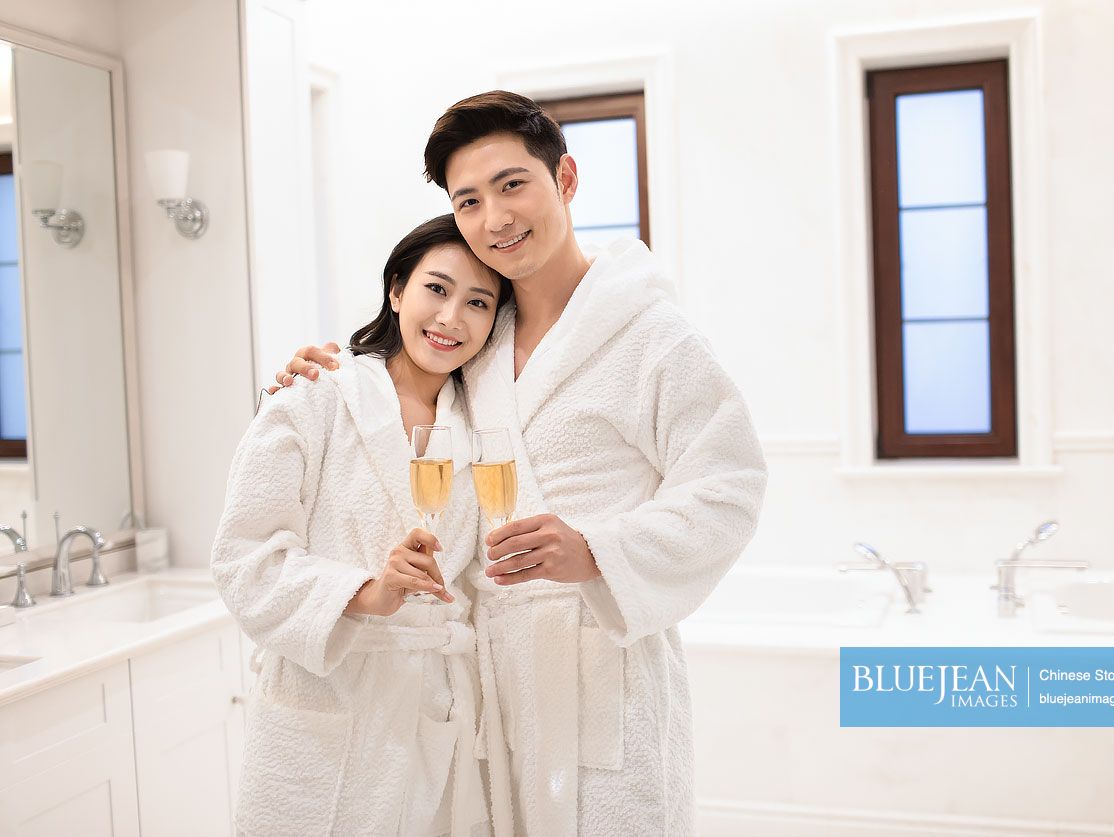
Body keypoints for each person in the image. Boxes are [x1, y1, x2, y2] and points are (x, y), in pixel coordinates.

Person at [274, 91, 768, 836]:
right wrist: (316, 368)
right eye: (468, 200)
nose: (494, 218)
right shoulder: (478, 333)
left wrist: (596, 551)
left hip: (607, 678)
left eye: (512, 185)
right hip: (493, 688)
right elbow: (399, 383)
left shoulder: (651, 337)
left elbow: (730, 485)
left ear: (564, 179)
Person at [212, 214, 512, 836]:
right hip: (329, 704)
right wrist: (364, 594)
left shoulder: (486, 425)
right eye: (437, 288)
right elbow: (244, 557)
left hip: (440, 706)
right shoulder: (315, 394)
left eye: (478, 302)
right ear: (397, 290)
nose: (452, 317)